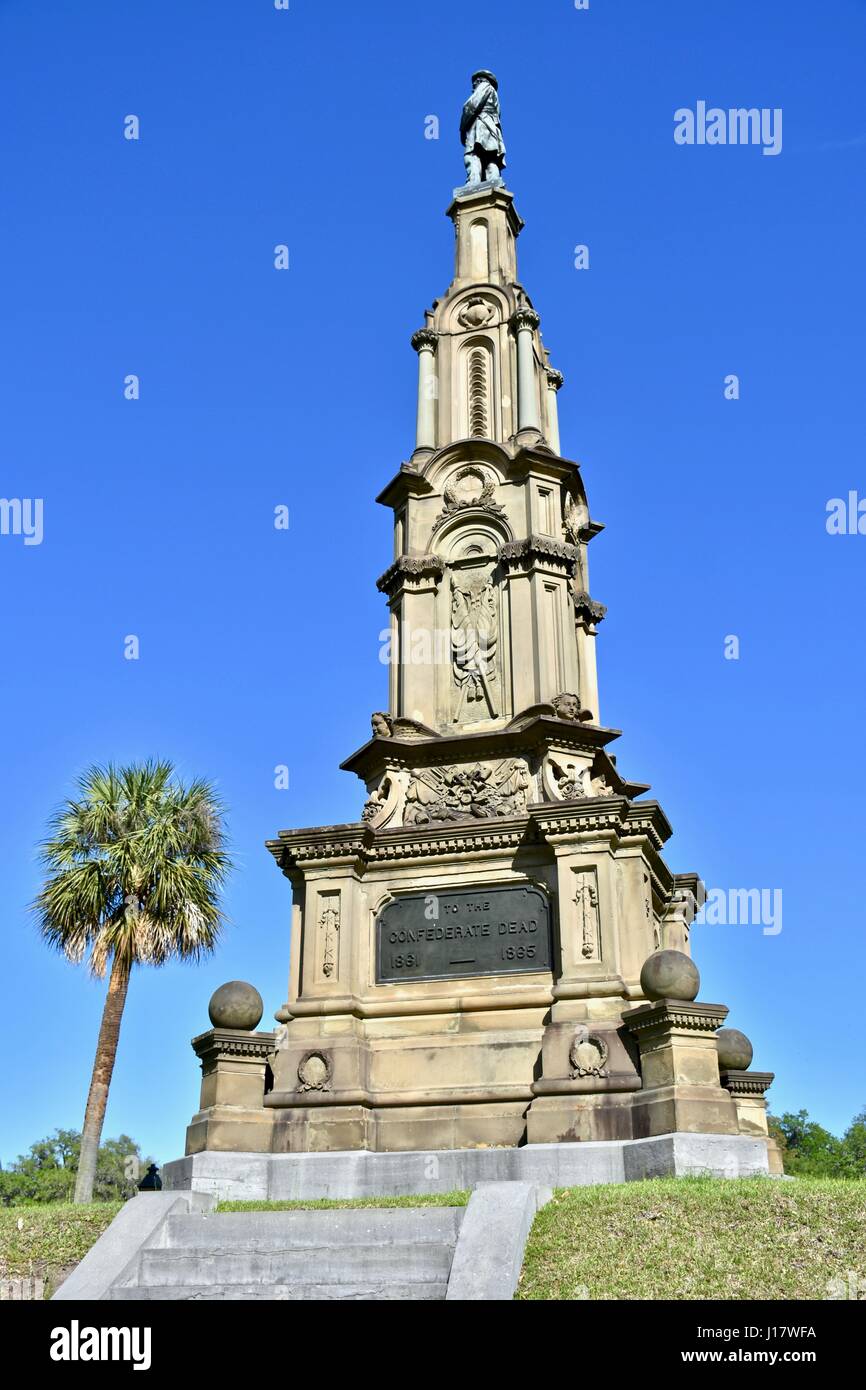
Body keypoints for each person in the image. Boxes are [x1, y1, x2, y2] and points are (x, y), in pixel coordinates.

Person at [460, 70, 506, 186]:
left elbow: (470, 106)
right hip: (492, 128)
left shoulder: (484, 86)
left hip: (480, 125)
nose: (473, 87)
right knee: (490, 158)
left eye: (474, 84)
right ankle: (494, 181)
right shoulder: (494, 95)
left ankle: (473, 182)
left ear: (479, 81)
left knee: (472, 155)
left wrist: (462, 128)